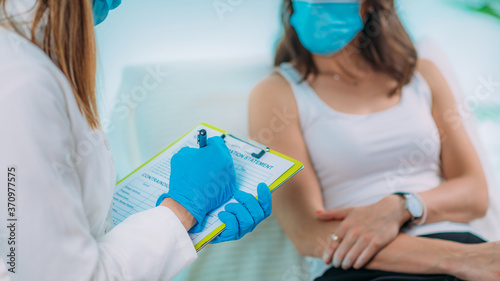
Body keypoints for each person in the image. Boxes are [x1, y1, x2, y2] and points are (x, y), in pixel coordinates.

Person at [0, 0, 272, 280]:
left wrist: (186, 226)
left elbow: (65, 234)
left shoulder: (37, 55)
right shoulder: (21, 83)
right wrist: (182, 209)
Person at [248, 0, 500, 280]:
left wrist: (402, 206)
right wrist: (459, 259)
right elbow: (307, 232)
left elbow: (475, 193)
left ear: (369, 5)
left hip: (461, 242)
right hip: (362, 264)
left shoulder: (421, 74)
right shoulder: (276, 92)